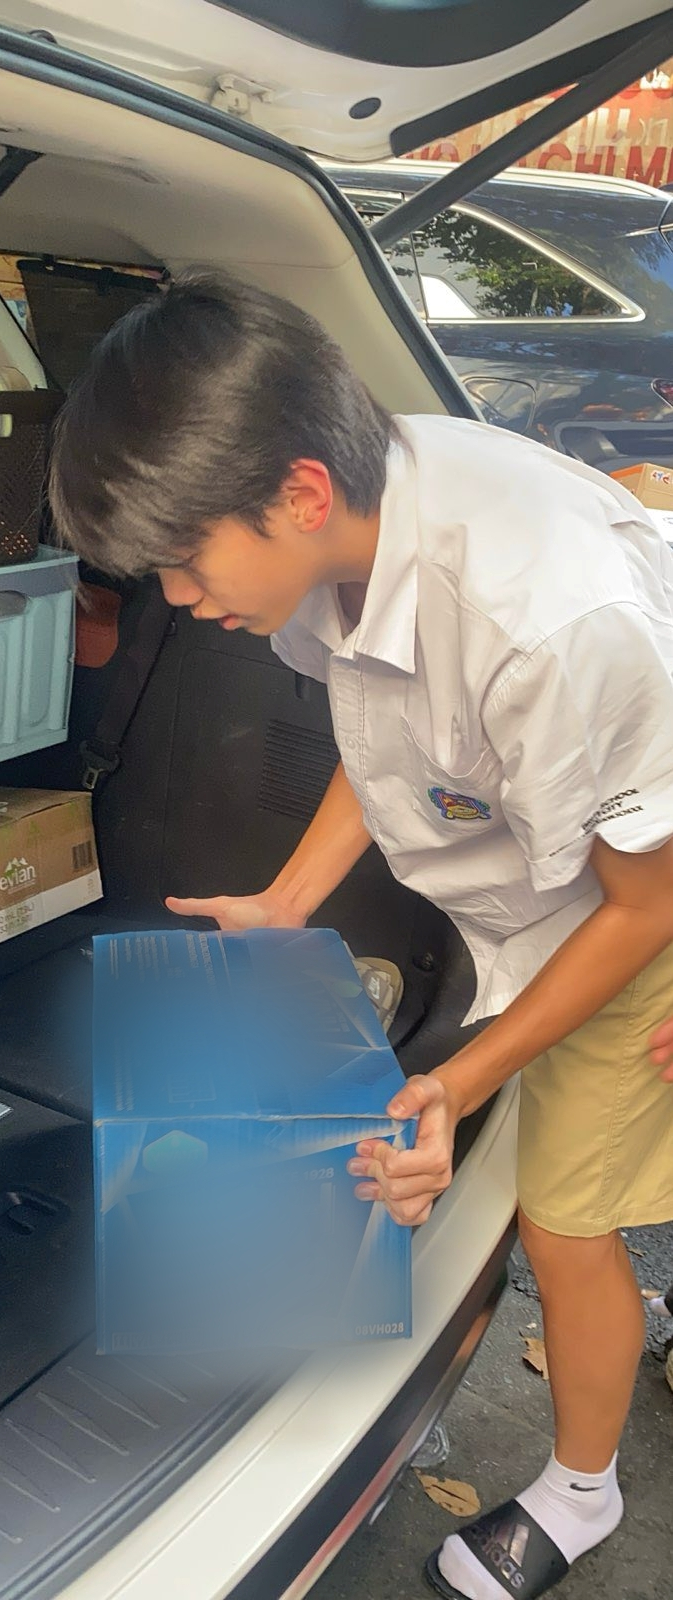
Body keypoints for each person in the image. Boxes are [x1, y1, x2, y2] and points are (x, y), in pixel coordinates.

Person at [49, 274, 673, 1600]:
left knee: (567, 1221)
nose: (178, 596)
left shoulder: (544, 622)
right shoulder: (348, 517)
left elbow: (643, 904)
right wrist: (285, 902)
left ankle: (582, 1491)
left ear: (299, 495)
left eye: (187, 563)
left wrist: (457, 1081)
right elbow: (386, 726)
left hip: (642, 896)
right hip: (562, 847)